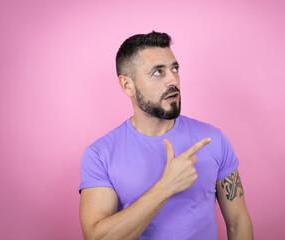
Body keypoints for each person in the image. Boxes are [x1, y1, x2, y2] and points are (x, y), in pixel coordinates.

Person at [79, 31, 253, 240]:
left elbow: (238, 223)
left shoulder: (213, 139)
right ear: (127, 85)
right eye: (158, 72)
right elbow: (97, 237)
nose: (173, 79)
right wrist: (166, 187)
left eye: (175, 68)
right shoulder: (99, 155)